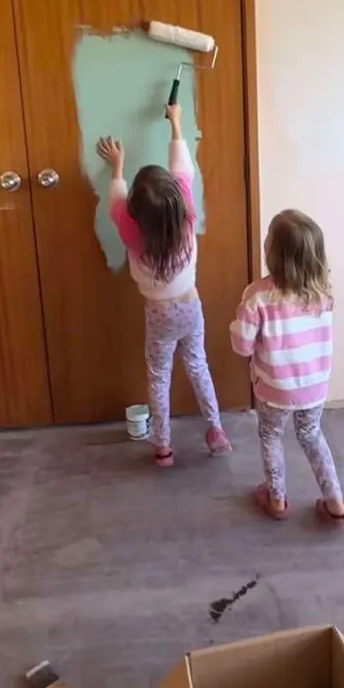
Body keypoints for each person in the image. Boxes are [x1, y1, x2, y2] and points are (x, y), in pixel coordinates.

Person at [97, 104, 231, 467]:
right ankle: (216, 430)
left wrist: (118, 167)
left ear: (136, 214)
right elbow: (182, 169)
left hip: (158, 314)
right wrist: (175, 125)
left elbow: (116, 201)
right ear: (175, 198)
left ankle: (164, 447)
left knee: (158, 377)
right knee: (197, 365)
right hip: (190, 306)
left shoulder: (129, 228)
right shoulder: (186, 215)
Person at [230, 209, 344, 522]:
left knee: (270, 436)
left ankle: (277, 500)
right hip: (314, 386)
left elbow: (241, 346)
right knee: (311, 435)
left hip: (274, 388)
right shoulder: (324, 293)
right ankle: (336, 502)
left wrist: (241, 331)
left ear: (273, 253)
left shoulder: (257, 296)